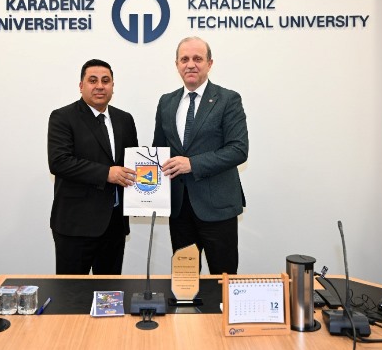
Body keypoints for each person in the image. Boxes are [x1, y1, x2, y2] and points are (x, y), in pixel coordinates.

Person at [152, 37, 248, 274]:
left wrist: (192, 164)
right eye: (184, 59)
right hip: (179, 209)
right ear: (177, 64)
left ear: (209, 63)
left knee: (223, 280)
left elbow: (238, 149)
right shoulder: (166, 102)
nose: (191, 64)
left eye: (197, 59)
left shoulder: (228, 99)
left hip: (218, 208)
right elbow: (158, 151)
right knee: (185, 282)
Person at [47, 59, 138, 274]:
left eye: (105, 81)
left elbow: (133, 164)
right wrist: (106, 173)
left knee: (109, 291)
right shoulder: (63, 117)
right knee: (71, 292)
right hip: (76, 226)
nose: (100, 86)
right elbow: (59, 162)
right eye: (93, 80)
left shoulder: (124, 119)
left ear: (113, 86)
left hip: (114, 225)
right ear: (81, 86)